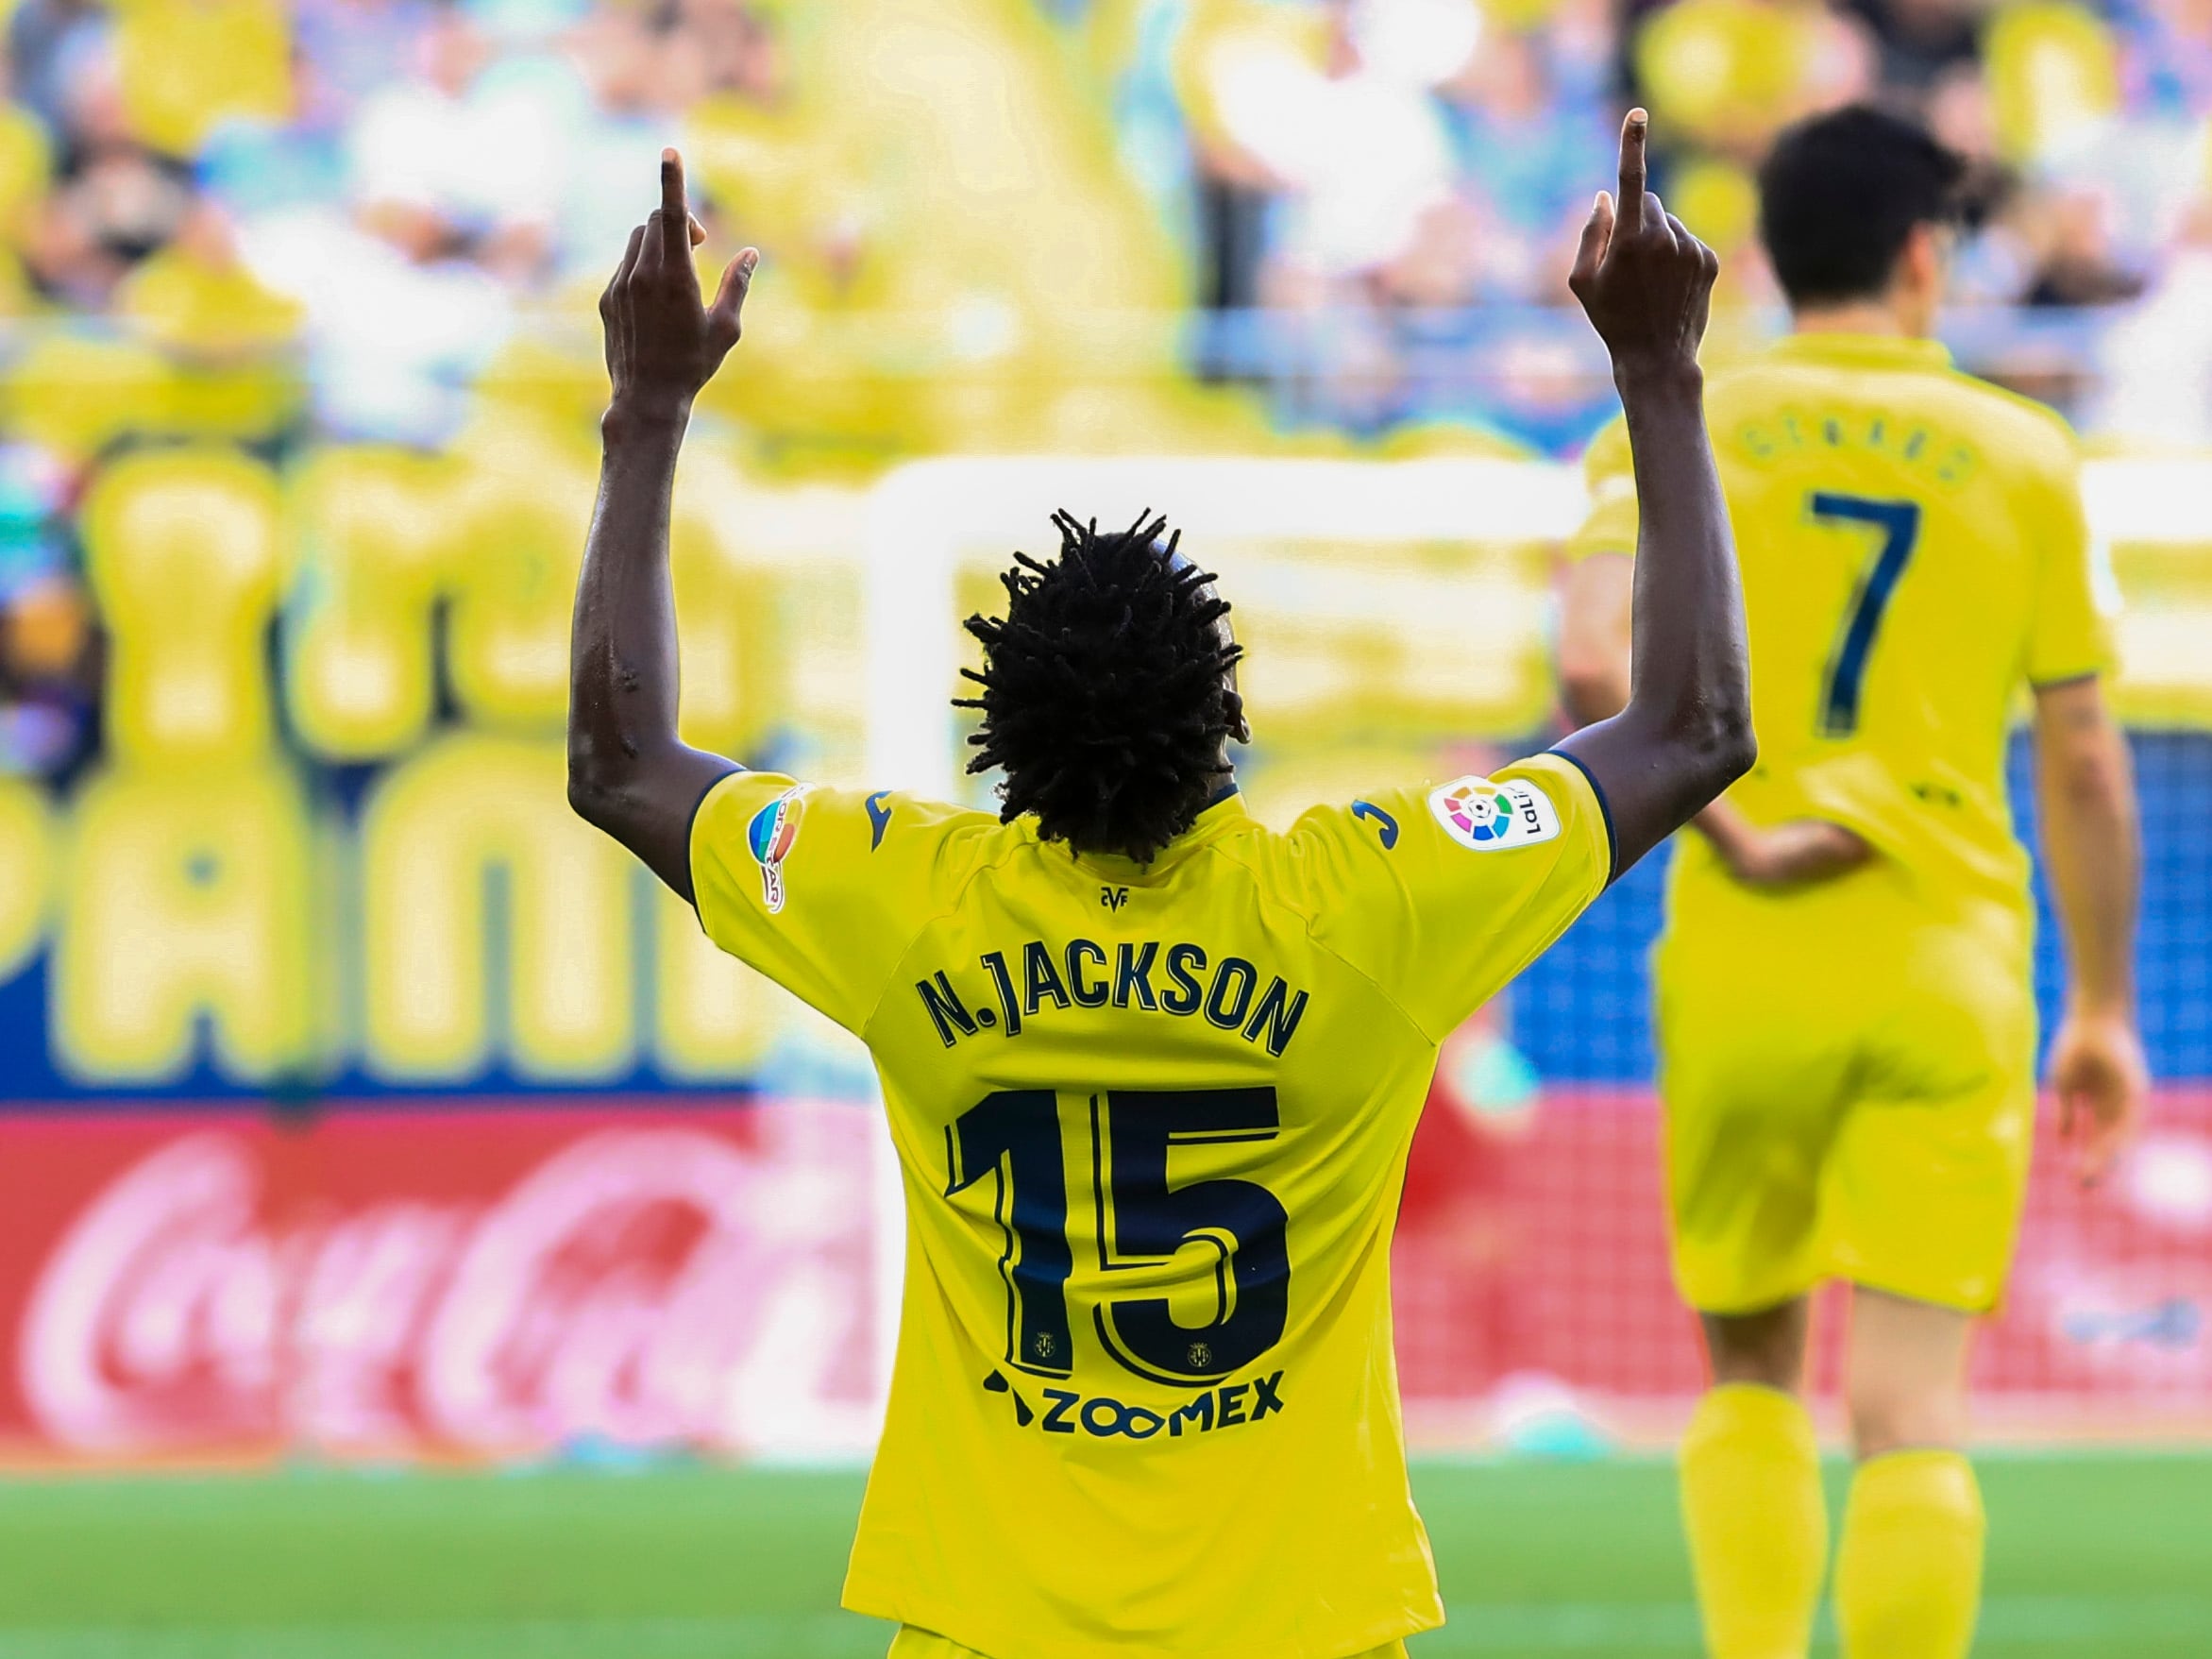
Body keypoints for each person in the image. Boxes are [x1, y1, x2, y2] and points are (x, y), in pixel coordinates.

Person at [570, 114, 1748, 1659]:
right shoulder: (1365, 903)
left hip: (993, 1625)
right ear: (1227, 721)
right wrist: (1659, 374)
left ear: (999, 744)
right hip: (1302, 1623)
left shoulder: (904, 896)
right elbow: (1691, 728)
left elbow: (620, 758)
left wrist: (647, 410)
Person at [1556, 104, 2146, 1659]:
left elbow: (1580, 669)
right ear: (1919, 254)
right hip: (1944, 949)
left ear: (1768, 256)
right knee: (1912, 1410)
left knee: (1750, 1376)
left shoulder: (1680, 414)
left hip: (1746, 953)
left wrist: (1735, 833)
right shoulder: (2023, 450)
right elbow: (2084, 757)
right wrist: (2099, 1007)